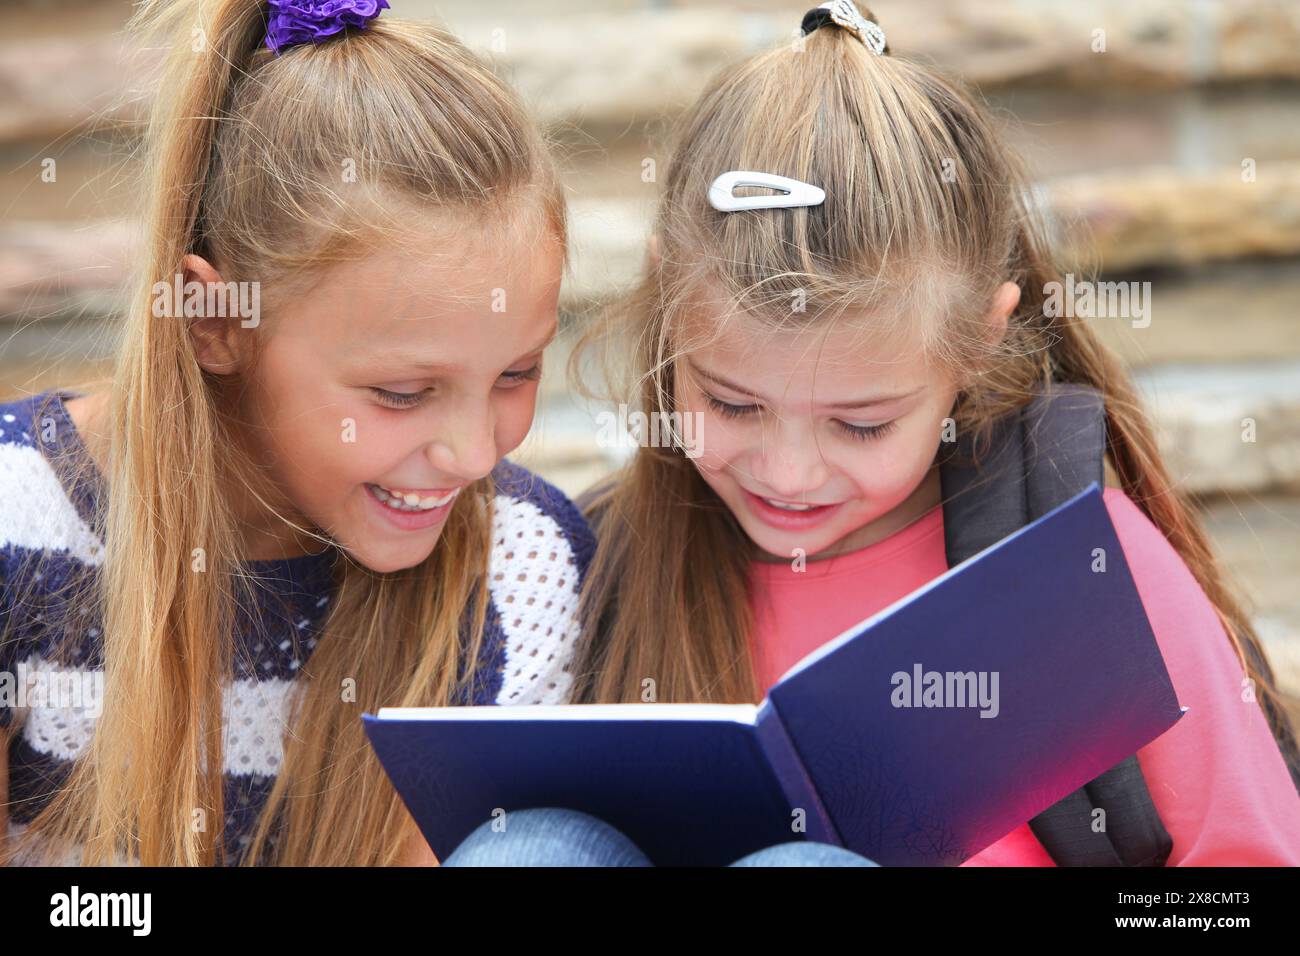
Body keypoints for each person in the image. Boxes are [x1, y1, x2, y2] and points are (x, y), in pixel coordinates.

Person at [549, 0, 1300, 866]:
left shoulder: (1086, 577)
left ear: (981, 341)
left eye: (862, 425)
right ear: (667, 305)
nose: (788, 473)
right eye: (734, 406)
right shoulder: (594, 567)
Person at [0, 0, 592, 866]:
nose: (472, 454)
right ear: (214, 320)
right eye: (401, 392)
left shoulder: (525, 564)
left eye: (516, 374)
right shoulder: (20, 518)